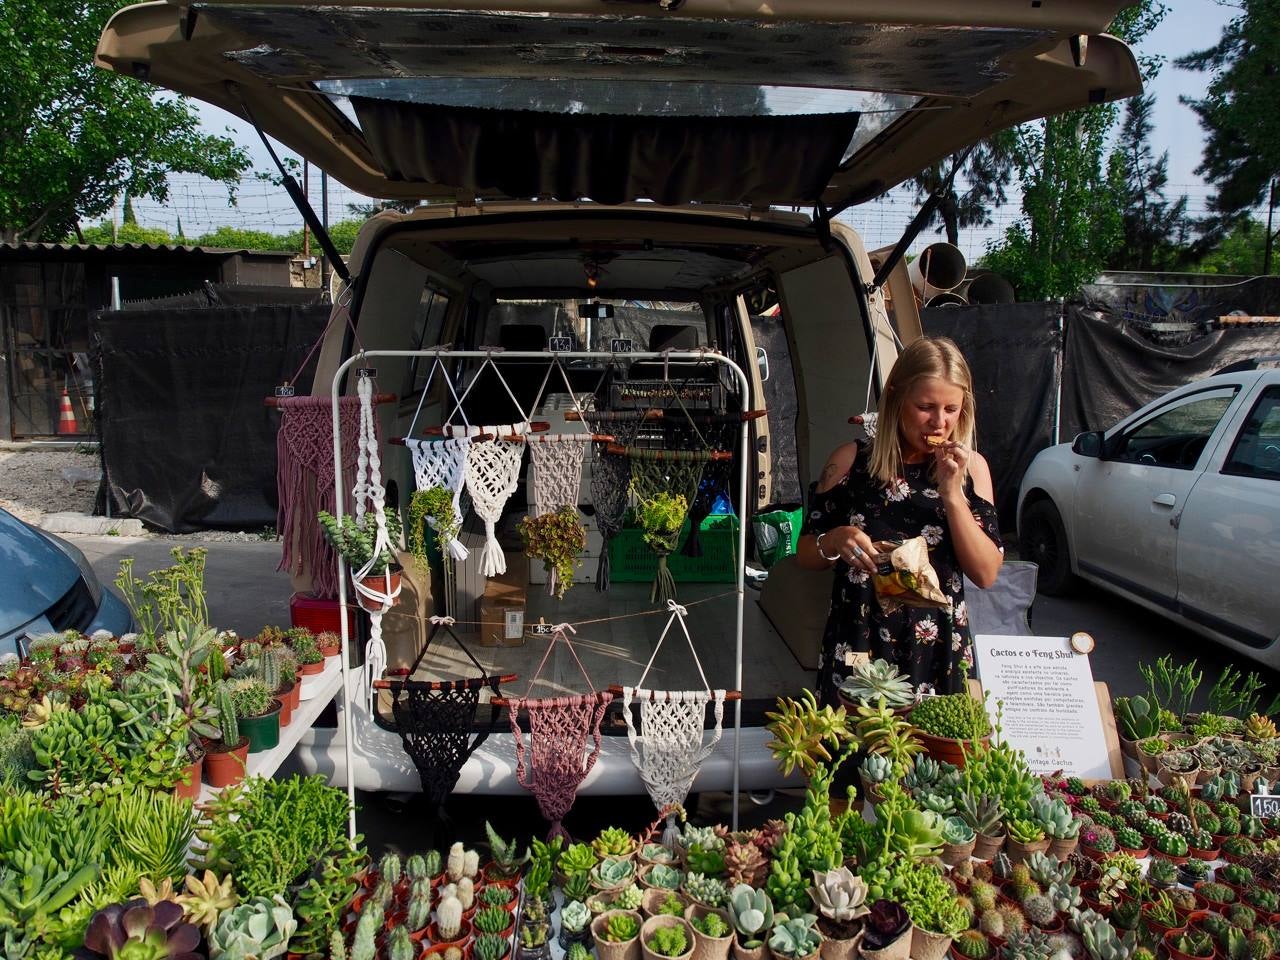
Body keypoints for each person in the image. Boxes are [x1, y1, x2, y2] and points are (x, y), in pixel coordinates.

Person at [797, 336, 1003, 703]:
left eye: (952, 409)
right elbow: (805, 554)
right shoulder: (851, 462)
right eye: (925, 407)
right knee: (854, 754)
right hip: (860, 643)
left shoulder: (972, 468)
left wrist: (953, 494)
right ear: (896, 398)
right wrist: (834, 541)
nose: (939, 423)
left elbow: (986, 574)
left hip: (937, 647)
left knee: (933, 757)